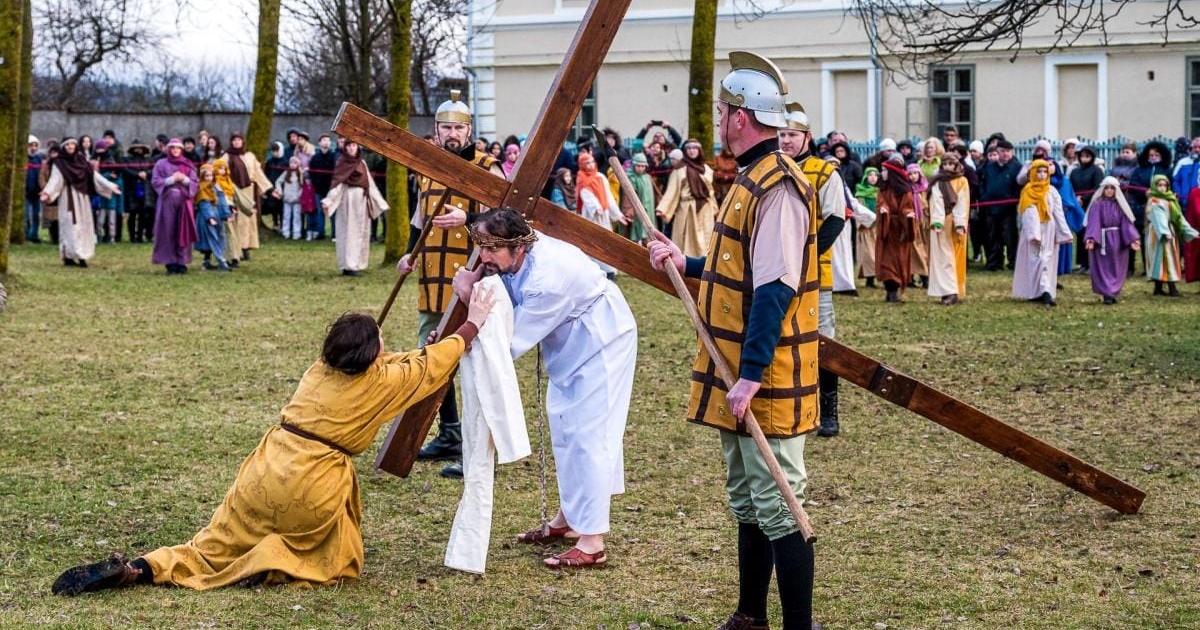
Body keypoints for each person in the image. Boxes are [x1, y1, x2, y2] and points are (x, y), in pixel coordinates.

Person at [51, 299, 496, 596]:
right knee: (336, 556)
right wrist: (473, 318)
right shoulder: (383, 382)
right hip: (315, 484)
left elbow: (400, 361)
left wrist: (420, 350)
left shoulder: (320, 369)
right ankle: (270, 566)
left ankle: (141, 568)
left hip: (264, 471)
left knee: (210, 546)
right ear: (372, 354)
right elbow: (434, 365)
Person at [648, 51, 817, 630]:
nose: (718, 120)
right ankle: (751, 616)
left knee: (780, 500)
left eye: (722, 110)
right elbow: (737, 266)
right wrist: (685, 260)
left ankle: (799, 625)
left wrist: (749, 373)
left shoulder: (780, 189)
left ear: (741, 117)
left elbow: (774, 287)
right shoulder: (748, 180)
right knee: (747, 495)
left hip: (762, 367)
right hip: (736, 361)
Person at [454, 209, 636, 569]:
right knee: (565, 429)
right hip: (570, 343)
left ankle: (592, 541)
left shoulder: (548, 280)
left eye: (490, 248)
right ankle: (568, 519)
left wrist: (466, 298)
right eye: (480, 246)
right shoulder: (514, 261)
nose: (483, 256)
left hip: (602, 341)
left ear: (518, 246)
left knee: (590, 435)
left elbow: (507, 344)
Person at [396, 90, 505, 478]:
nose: (453, 133)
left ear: (470, 129)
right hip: (433, 275)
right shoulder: (428, 167)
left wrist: (470, 218)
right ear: (437, 131)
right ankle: (450, 434)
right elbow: (418, 218)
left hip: (477, 274)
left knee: (477, 360)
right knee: (434, 355)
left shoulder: (488, 166)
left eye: (459, 127)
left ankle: (485, 447)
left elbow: (507, 217)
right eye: (446, 127)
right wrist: (410, 253)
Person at [778, 101, 846, 438]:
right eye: (781, 134)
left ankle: (829, 411)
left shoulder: (824, 171)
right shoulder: (772, 168)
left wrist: (807, 255)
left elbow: (836, 218)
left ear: (806, 136)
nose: (785, 140)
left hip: (814, 272)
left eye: (791, 134)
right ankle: (791, 407)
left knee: (822, 340)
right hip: (776, 270)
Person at [39, 137, 121, 268]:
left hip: (82, 197)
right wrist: (47, 192)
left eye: (72, 144)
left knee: (84, 227)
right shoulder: (59, 162)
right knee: (70, 227)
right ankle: (69, 256)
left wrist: (110, 186)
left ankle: (82, 255)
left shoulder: (82, 160)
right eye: (67, 145)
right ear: (64, 147)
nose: (70, 147)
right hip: (68, 198)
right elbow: (55, 179)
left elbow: (94, 175)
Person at [1011, 159, 1072, 306]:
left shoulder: (1052, 191)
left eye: (1045, 171)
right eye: (1039, 171)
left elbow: (1058, 213)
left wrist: (1064, 233)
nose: (1042, 174)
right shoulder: (1028, 191)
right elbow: (1028, 212)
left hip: (1049, 229)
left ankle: (1045, 290)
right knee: (1036, 259)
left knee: (1046, 259)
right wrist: (1034, 233)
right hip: (1034, 230)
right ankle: (1037, 291)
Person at [322, 142, 388, 277]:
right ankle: (348, 265)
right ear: (345, 148)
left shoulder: (362, 163)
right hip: (348, 200)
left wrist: (380, 203)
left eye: (354, 146)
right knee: (348, 232)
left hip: (362, 202)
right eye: (349, 146)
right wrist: (328, 200)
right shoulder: (342, 162)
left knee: (361, 232)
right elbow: (337, 184)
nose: (352, 148)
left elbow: (369, 184)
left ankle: (357, 263)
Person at [655, 138, 716, 257]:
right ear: (685, 151)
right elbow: (672, 190)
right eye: (688, 148)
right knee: (687, 241)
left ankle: (704, 266)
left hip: (705, 209)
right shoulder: (679, 169)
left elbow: (710, 192)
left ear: (699, 150)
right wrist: (663, 208)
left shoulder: (706, 169)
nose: (691, 151)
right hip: (687, 209)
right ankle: (685, 264)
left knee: (706, 237)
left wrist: (714, 208)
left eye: (694, 148)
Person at [1083, 177, 1140, 304]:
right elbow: (1094, 222)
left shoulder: (1120, 206)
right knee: (1103, 266)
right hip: (1102, 240)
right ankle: (1106, 293)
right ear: (1102, 189)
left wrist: (1132, 239)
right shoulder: (1097, 205)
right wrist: (1091, 238)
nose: (1109, 191)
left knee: (1117, 266)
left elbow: (1126, 223)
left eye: (1112, 188)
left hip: (1118, 240)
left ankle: (1113, 291)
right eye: (1107, 188)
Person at [150, 138, 199, 275]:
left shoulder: (188, 164)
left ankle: (182, 262)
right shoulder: (161, 164)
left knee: (182, 230)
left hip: (184, 201)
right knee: (168, 230)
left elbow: (195, 183)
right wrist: (171, 179)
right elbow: (155, 181)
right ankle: (170, 262)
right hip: (167, 201)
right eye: (173, 148)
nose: (175, 151)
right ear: (169, 149)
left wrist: (184, 179)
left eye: (178, 148)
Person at [1144, 174, 1198, 296]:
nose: (1162, 188)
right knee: (1164, 258)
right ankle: (1170, 288)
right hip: (1159, 233)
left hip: (1169, 231)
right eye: (1159, 185)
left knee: (1168, 258)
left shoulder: (1170, 200)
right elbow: (1159, 218)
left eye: (1165, 185)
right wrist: (1164, 232)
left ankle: (1159, 288)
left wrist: (1190, 231)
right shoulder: (1154, 201)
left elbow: (1178, 217)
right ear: (1154, 186)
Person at [927, 153, 970, 304]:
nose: (947, 167)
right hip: (940, 223)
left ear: (956, 165)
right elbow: (936, 201)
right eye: (944, 164)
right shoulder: (938, 181)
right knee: (942, 258)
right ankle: (946, 291)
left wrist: (959, 223)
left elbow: (962, 202)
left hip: (954, 223)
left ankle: (953, 290)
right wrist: (937, 221)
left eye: (950, 164)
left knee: (953, 257)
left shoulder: (962, 181)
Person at [223, 132, 274, 259]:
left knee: (248, 219)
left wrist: (269, 189)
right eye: (234, 140)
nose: (236, 142)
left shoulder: (250, 156)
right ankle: (237, 249)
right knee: (237, 219)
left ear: (242, 141)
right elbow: (220, 171)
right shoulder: (227, 156)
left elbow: (258, 172)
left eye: (239, 140)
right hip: (235, 190)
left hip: (249, 190)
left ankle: (246, 248)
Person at [876, 157, 916, 302]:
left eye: (885, 170)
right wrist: (883, 211)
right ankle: (890, 290)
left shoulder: (904, 191)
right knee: (886, 261)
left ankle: (894, 290)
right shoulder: (883, 188)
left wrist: (908, 216)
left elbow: (906, 207)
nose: (882, 173)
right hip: (886, 229)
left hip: (899, 230)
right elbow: (881, 203)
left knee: (898, 259)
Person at [979, 139, 1022, 271]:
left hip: (1008, 208)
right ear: (997, 152)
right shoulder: (988, 167)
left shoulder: (1016, 167)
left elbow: (1019, 186)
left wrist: (1013, 198)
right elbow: (983, 184)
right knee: (993, 236)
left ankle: (1014, 262)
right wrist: (984, 198)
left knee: (1010, 237)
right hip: (990, 208)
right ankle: (994, 262)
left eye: (1008, 151)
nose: (1006, 154)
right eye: (1003, 151)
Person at [193, 164, 233, 272]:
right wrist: (209, 217)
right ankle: (222, 262)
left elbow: (222, 201)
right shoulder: (202, 188)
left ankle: (207, 262)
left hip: (217, 215)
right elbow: (204, 204)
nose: (209, 178)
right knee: (212, 239)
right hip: (206, 218)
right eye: (206, 176)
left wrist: (226, 214)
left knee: (218, 237)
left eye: (211, 175)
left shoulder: (216, 187)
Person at [307, 134, 338, 240]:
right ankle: (320, 233)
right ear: (319, 143)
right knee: (320, 212)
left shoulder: (334, 157)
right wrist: (315, 185)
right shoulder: (315, 158)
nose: (326, 142)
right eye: (324, 140)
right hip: (319, 189)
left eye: (328, 140)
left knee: (333, 211)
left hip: (331, 189)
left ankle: (335, 234)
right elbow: (311, 173)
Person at [122, 141, 153, 243]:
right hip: (132, 189)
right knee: (132, 214)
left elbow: (153, 169)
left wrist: (146, 173)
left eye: (140, 148)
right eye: (136, 148)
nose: (138, 150)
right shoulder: (127, 159)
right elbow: (125, 170)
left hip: (145, 189)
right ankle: (132, 236)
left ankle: (139, 236)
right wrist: (137, 174)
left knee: (143, 214)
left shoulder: (148, 159)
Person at [907, 163, 931, 288]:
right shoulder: (907, 190)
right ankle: (915, 276)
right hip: (913, 221)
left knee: (925, 248)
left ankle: (926, 276)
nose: (913, 176)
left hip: (924, 222)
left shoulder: (925, 188)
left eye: (915, 173)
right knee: (914, 249)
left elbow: (928, 204)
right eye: (910, 174)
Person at [855, 167, 880, 288]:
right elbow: (858, 211)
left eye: (875, 175)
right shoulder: (860, 193)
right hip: (866, 228)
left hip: (878, 228)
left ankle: (877, 276)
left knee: (878, 253)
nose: (873, 178)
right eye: (870, 175)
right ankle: (869, 279)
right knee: (868, 254)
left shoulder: (880, 192)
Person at [623, 153, 654, 245]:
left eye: (642, 166)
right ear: (633, 165)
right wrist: (629, 211)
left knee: (648, 233)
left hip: (648, 209)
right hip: (636, 210)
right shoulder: (630, 177)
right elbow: (627, 196)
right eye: (638, 166)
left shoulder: (647, 177)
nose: (640, 168)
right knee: (634, 233)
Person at [274, 156, 305, 240]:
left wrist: (299, 195)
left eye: (295, 163)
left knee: (297, 217)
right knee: (286, 216)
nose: (292, 164)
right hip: (287, 199)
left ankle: (296, 233)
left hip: (296, 200)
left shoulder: (301, 174)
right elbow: (278, 182)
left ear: (298, 164)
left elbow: (302, 186)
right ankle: (286, 232)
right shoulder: (286, 173)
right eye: (291, 162)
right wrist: (280, 192)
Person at [24, 135, 43, 243]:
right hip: (26, 191)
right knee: (26, 215)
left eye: (35, 145)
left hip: (37, 192)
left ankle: (34, 235)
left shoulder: (39, 159)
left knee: (36, 215)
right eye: (31, 145)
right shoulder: (24, 158)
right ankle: (26, 234)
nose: (33, 148)